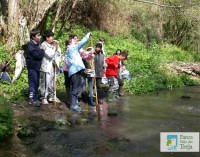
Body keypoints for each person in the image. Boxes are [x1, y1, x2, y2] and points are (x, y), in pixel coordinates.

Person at [66, 32, 92, 113]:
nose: (76, 41)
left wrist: (90, 53)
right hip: (75, 71)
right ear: (71, 42)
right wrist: (87, 35)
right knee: (75, 88)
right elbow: (82, 42)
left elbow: (83, 53)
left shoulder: (72, 49)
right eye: (74, 40)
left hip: (77, 70)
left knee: (77, 87)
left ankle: (74, 104)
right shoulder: (72, 48)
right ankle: (73, 105)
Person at [40, 30, 62, 105]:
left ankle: (52, 96)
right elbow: (50, 55)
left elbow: (58, 54)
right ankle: (44, 97)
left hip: (52, 66)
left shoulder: (52, 45)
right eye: (51, 36)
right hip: (45, 67)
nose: (52, 38)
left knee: (52, 82)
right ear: (47, 37)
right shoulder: (43, 45)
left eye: (53, 36)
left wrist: (57, 46)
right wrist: (55, 48)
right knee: (45, 82)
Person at [26, 29, 45, 107]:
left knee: (36, 82)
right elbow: (37, 55)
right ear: (33, 37)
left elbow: (39, 54)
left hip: (37, 67)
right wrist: (43, 50)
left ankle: (35, 98)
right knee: (33, 82)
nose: (39, 37)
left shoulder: (37, 44)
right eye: (38, 35)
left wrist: (41, 51)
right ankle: (31, 99)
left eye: (39, 35)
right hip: (32, 67)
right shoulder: (30, 45)